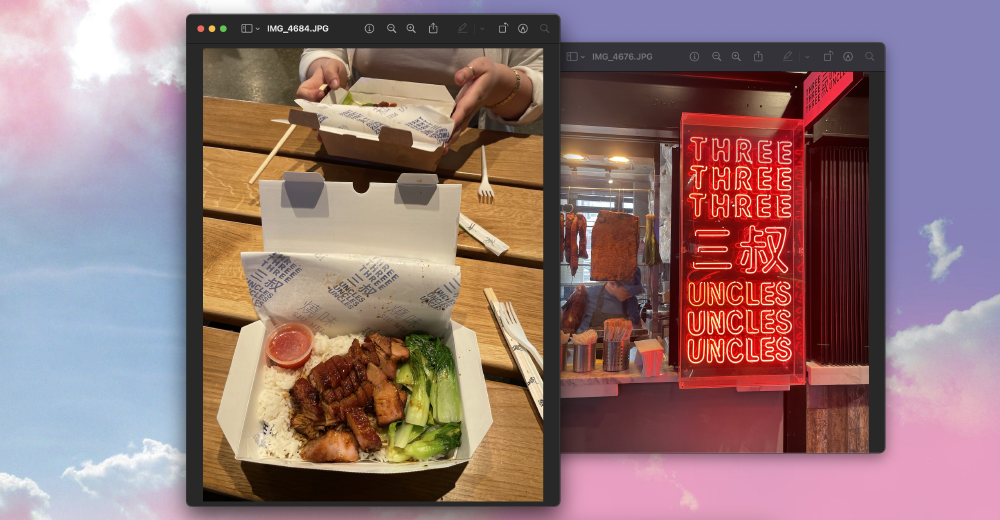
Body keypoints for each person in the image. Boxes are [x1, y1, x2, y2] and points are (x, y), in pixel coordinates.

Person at [296, 48, 543, 153]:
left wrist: (501, 83)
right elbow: (324, 48)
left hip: (466, 147)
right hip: (357, 140)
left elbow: (539, 80)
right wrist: (324, 69)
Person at [572, 268, 644, 334]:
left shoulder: (631, 300)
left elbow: (637, 325)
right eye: (628, 290)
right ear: (612, 283)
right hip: (590, 347)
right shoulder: (587, 295)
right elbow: (566, 322)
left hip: (621, 347)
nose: (631, 295)